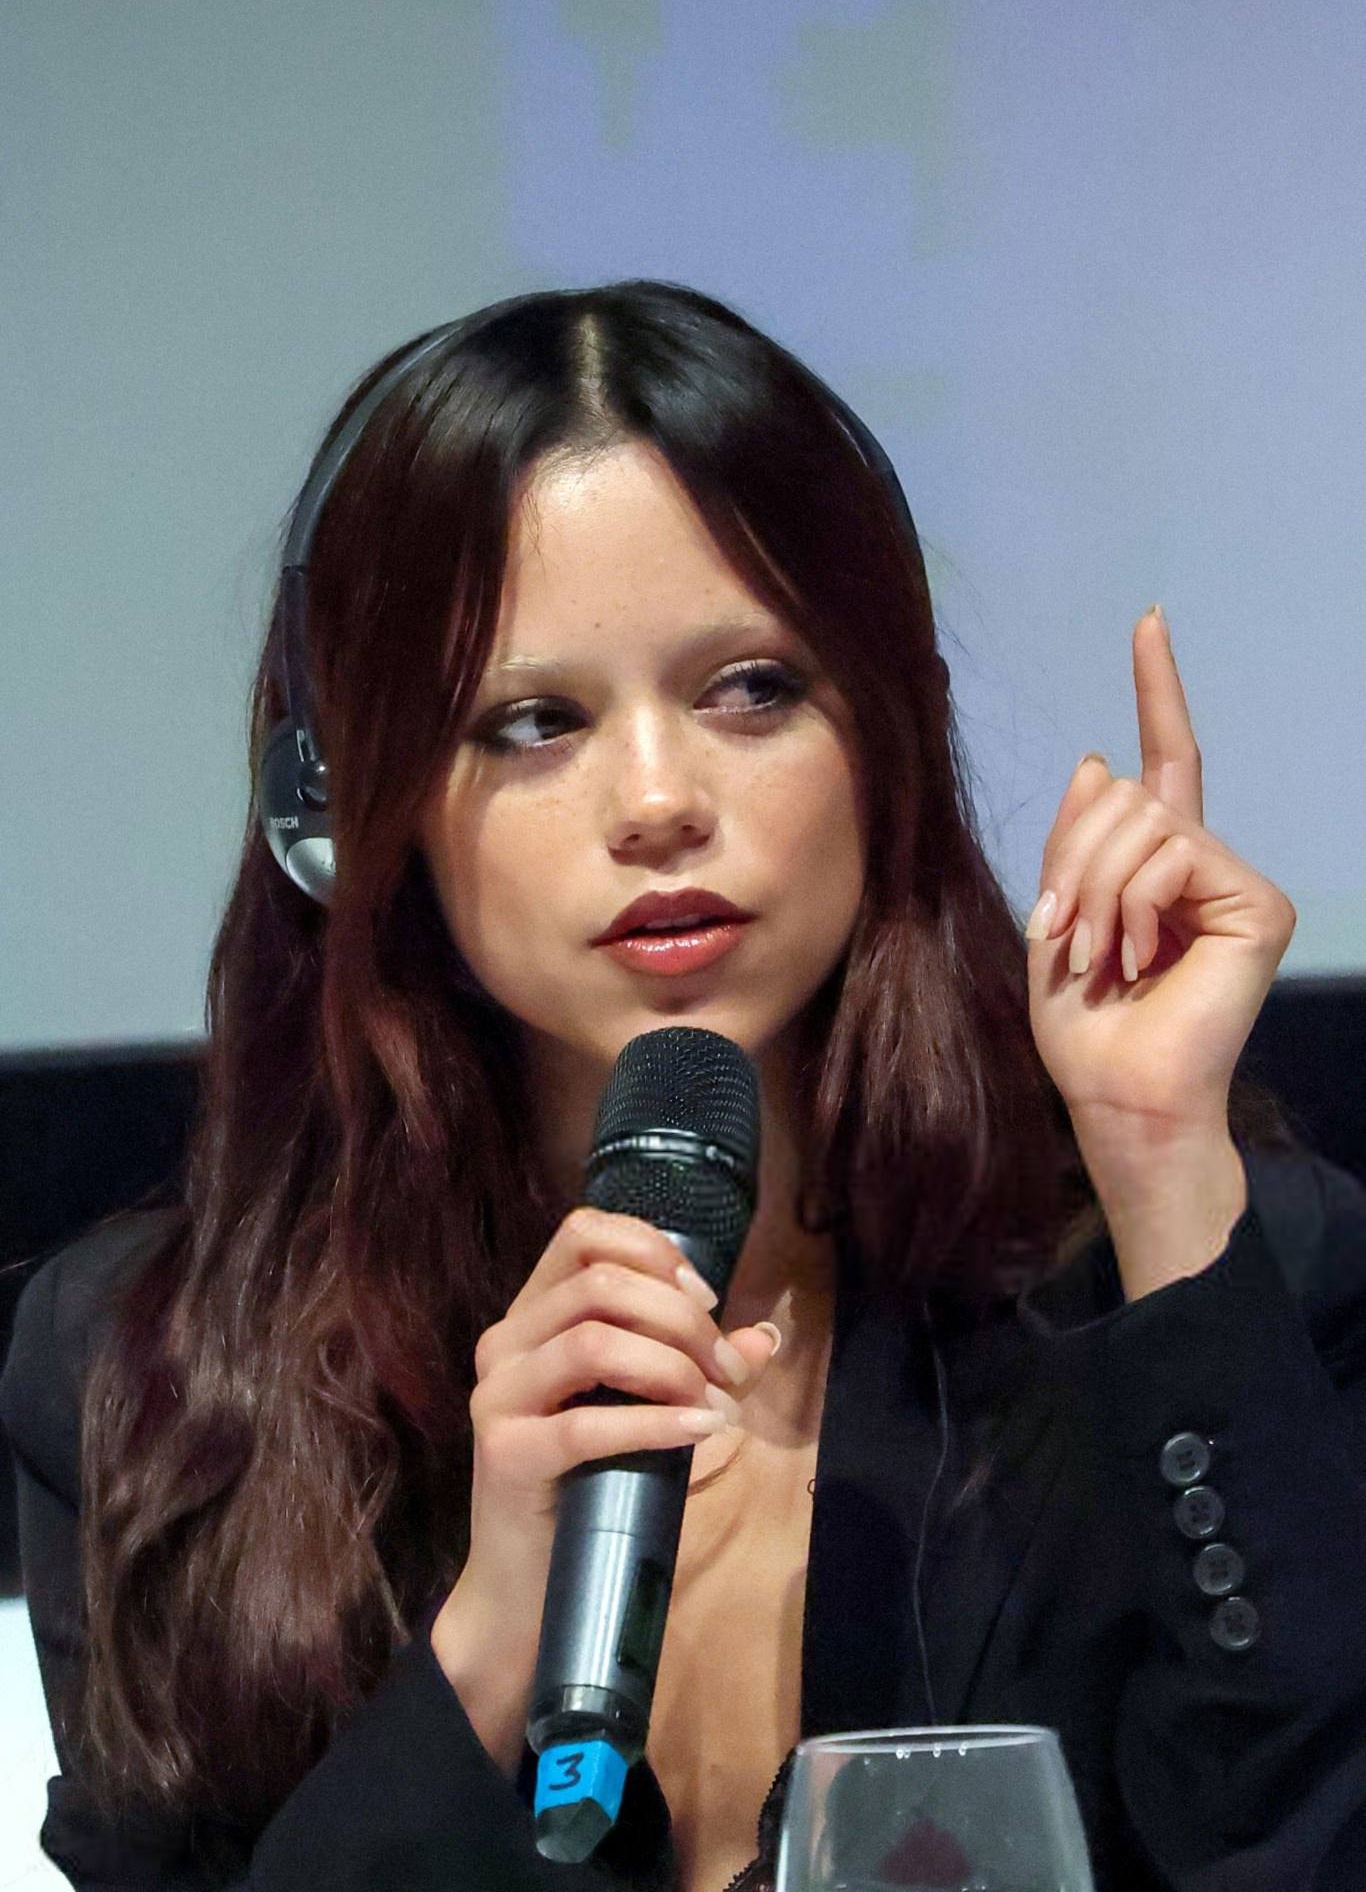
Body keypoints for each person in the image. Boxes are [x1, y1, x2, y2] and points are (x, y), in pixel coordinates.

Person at [2, 279, 1364, 1892]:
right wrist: (489, 1644)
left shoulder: (1213, 1279)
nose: (657, 801)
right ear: (350, 810)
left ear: (888, 734)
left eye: (750, 688)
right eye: (532, 721)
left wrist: (1155, 1166)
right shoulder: (148, 1375)